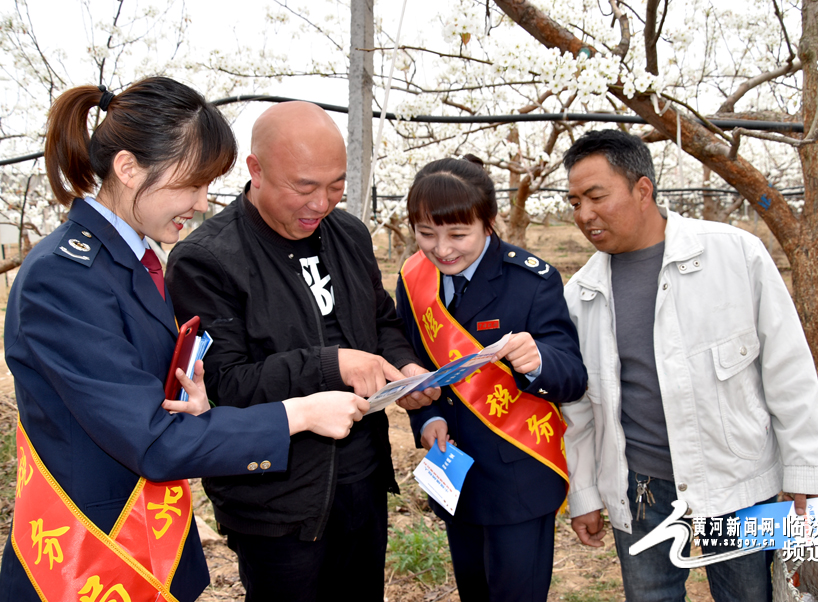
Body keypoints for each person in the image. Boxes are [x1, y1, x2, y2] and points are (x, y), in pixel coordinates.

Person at [0, 78, 370, 602]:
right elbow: (150, 440)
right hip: (88, 557)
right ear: (128, 169)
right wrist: (301, 413)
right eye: (191, 185)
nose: (200, 204)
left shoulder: (130, 261)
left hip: (149, 541)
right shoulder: (63, 278)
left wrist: (189, 403)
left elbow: (137, 401)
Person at [164, 100, 437, 602]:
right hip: (275, 494)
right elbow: (226, 383)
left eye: (336, 185)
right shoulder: (207, 260)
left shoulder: (348, 234)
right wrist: (330, 363)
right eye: (305, 187)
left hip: (361, 477)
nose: (322, 203)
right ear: (257, 171)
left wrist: (406, 367)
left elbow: (379, 319)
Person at [560, 129, 818, 601]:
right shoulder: (581, 293)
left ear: (642, 189)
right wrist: (584, 493)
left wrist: (805, 471)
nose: (585, 214)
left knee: (747, 596)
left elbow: (787, 368)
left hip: (736, 486)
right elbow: (581, 410)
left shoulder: (732, 255)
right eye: (575, 202)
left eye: (596, 196)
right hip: (640, 489)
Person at [394, 156, 587, 602]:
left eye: (458, 234)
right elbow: (416, 358)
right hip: (456, 474)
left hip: (518, 477)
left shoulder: (531, 281)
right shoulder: (413, 280)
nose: (442, 249)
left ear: (488, 222)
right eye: (426, 234)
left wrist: (537, 359)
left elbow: (572, 376)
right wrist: (427, 421)